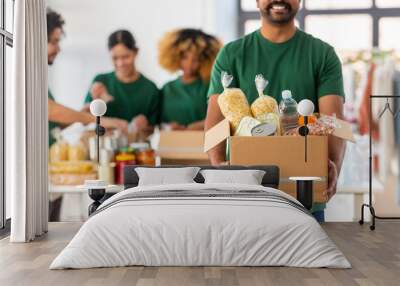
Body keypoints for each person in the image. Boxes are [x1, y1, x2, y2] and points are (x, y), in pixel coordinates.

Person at [205, 0, 346, 222]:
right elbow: (215, 122)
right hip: (246, 191)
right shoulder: (232, 54)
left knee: (307, 256)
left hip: (303, 192)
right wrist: (218, 165)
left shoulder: (322, 54)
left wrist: (333, 165)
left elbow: (335, 121)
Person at [47, 9, 129, 221]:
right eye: (54, 41)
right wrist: (98, 119)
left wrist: (80, 114)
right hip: (41, 169)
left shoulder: (37, 74)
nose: (58, 48)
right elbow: (50, 110)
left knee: (48, 223)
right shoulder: (25, 71)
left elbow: (48, 119)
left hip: (50, 167)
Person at [83, 30, 160, 134]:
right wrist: (95, 102)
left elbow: (155, 128)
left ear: (136, 52)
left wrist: (145, 126)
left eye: (126, 57)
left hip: (137, 147)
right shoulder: (101, 81)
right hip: (104, 146)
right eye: (115, 58)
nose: (120, 63)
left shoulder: (150, 89)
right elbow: (84, 120)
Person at [158, 29, 221, 130]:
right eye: (184, 57)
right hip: (170, 142)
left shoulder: (210, 86)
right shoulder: (167, 88)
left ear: (204, 61)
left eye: (195, 59)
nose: (189, 64)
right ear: (176, 57)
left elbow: (219, 119)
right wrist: (169, 127)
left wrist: (193, 127)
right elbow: (159, 123)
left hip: (202, 141)